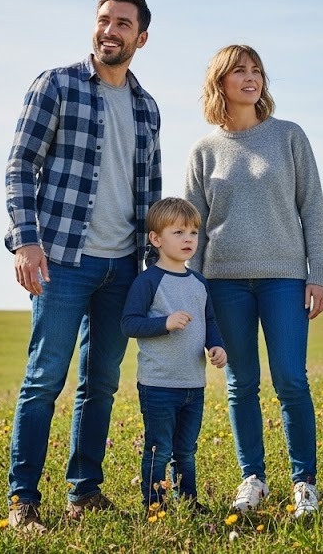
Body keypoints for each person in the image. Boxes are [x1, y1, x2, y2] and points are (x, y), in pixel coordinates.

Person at [4, 0, 161, 533]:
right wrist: (26, 241)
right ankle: (23, 501)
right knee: (45, 379)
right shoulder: (58, 85)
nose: (109, 31)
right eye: (103, 20)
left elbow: (151, 188)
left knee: (102, 382)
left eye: (122, 24)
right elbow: (21, 165)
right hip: (63, 260)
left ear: (141, 37)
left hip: (123, 265)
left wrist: (155, 262)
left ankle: (84, 491)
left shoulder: (146, 107)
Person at [183, 44, 323, 519]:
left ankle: (304, 484)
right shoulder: (204, 151)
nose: (251, 78)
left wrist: (318, 273)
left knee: (290, 379)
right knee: (241, 383)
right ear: (220, 83)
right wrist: (193, 291)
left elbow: (312, 208)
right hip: (223, 284)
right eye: (239, 71)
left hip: (284, 279)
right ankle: (254, 480)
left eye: (257, 71)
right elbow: (192, 230)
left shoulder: (289, 136)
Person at [121, 197, 227, 513]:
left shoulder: (199, 282)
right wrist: (164, 323)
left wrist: (217, 346)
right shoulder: (148, 280)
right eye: (178, 232)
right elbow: (129, 323)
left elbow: (209, 321)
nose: (188, 240)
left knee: (186, 450)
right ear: (156, 239)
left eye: (193, 233)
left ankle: (188, 501)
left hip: (194, 384)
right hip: (158, 384)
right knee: (159, 448)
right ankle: (155, 504)